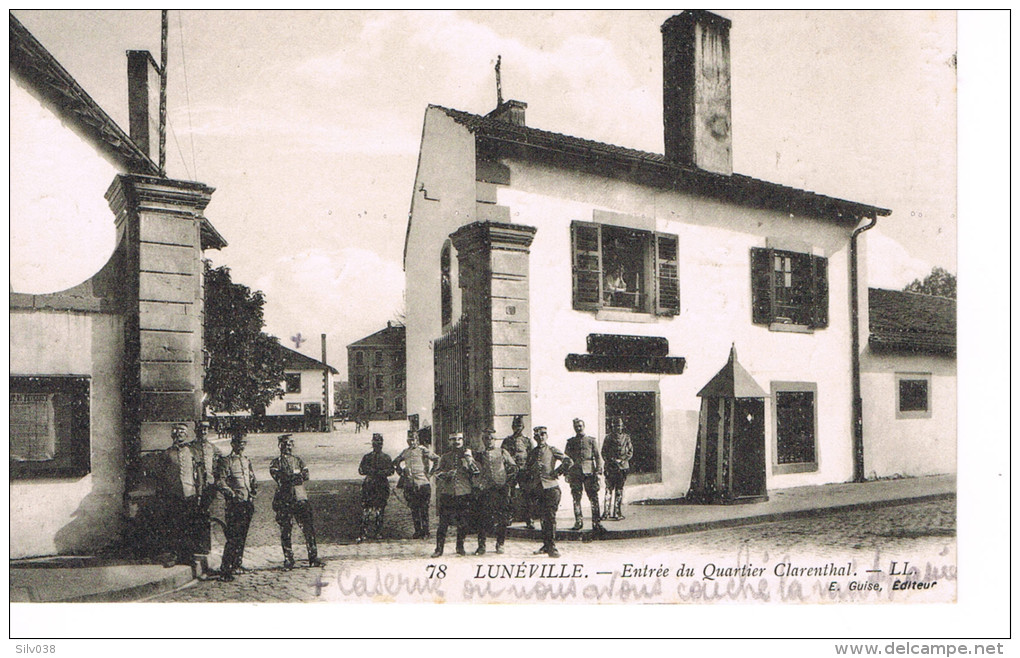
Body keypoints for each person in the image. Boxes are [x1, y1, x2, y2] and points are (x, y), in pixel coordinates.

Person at [270, 434, 323, 569]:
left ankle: (313, 557)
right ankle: (288, 559)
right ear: (279, 446)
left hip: (300, 498)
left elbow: (306, 475)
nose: (287, 447)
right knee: (286, 530)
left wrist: (291, 477)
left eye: (289, 444)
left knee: (308, 528)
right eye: (284, 444)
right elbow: (279, 477)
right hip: (284, 499)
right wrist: (294, 477)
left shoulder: (298, 460)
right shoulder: (276, 462)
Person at [524, 426, 572, 558]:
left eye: (543, 434)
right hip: (538, 489)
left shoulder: (552, 450)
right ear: (535, 438)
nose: (541, 437)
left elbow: (568, 461)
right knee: (543, 518)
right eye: (538, 435)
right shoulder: (533, 453)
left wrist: (557, 471)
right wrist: (533, 469)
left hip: (551, 488)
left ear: (547, 436)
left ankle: (552, 547)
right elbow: (527, 470)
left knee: (550, 517)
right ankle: (546, 545)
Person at [216, 428, 257, 581]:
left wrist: (253, 493)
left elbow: (252, 479)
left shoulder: (246, 460)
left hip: (247, 503)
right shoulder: (227, 461)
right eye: (239, 443)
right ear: (232, 444)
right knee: (233, 537)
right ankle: (225, 569)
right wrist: (232, 495)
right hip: (235, 504)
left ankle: (237, 564)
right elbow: (220, 481)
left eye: (244, 443)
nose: (241, 446)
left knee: (243, 535)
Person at [157, 422, 200, 567]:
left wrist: (198, 491)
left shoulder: (193, 451)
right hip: (173, 494)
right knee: (174, 526)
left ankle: (188, 556)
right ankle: (174, 556)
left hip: (190, 493)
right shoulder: (167, 453)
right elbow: (161, 476)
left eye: (182, 431)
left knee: (189, 525)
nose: (179, 433)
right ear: (172, 435)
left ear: (187, 435)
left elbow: (199, 473)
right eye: (176, 431)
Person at [432, 432, 478, 557]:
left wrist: (469, 461)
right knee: (443, 523)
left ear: (463, 441)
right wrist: (446, 474)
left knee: (462, 523)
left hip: (464, 493)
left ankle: (460, 547)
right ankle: (439, 549)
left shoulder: (468, 456)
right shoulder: (445, 457)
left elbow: (476, 472)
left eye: (459, 439)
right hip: (448, 493)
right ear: (449, 442)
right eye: (453, 439)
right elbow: (437, 472)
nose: (456, 442)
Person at [474, 427, 518, 555]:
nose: (489, 441)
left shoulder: (502, 452)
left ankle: (500, 544)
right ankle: (481, 546)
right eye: (486, 438)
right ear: (483, 440)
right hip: (486, 490)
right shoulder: (479, 455)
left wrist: (507, 482)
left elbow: (514, 468)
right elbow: (475, 471)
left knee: (502, 518)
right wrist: (479, 483)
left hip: (501, 489)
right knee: (482, 518)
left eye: (492, 438)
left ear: (495, 439)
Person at [393, 430, 440, 539]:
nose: (412, 442)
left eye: (414, 440)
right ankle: (418, 531)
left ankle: (426, 531)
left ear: (417, 440)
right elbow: (395, 462)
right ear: (407, 440)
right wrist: (402, 473)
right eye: (410, 440)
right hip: (410, 485)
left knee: (424, 509)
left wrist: (430, 473)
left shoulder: (423, 450)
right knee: (414, 509)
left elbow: (437, 459)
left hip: (423, 483)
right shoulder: (405, 452)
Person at [565, 418, 604, 532]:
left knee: (593, 498)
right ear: (574, 428)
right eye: (576, 426)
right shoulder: (571, 442)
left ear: (584, 426)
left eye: (580, 426)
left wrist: (598, 472)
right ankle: (578, 521)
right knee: (576, 498)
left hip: (589, 472)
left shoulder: (591, 441)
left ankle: (596, 523)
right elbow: (567, 459)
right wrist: (567, 473)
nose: (578, 428)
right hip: (575, 473)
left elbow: (597, 457)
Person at [190, 421, 220, 557]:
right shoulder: (190, 448)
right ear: (196, 431)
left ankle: (206, 545)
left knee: (207, 515)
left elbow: (219, 464)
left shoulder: (212, 448)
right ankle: (197, 545)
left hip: (209, 486)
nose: (203, 432)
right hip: (196, 487)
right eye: (201, 430)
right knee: (195, 515)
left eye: (205, 430)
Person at [357, 433, 394, 542]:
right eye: (376, 442)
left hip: (378, 485)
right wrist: (376, 472)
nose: (377, 444)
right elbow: (361, 470)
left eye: (379, 442)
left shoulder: (384, 457)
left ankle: (373, 532)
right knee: (369, 510)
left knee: (377, 510)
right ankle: (370, 532)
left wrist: (378, 472)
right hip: (372, 485)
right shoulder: (370, 457)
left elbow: (391, 471)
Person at [501, 415, 534, 529]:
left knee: (527, 495)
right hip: (511, 471)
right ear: (512, 427)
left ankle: (529, 519)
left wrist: (529, 470)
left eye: (520, 426)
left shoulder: (527, 441)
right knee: (509, 494)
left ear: (523, 427)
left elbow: (532, 456)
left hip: (524, 471)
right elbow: (503, 455)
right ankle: (508, 517)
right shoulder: (507, 440)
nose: (517, 428)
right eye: (515, 426)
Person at [601, 417, 634, 521]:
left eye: (619, 426)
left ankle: (617, 512)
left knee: (619, 490)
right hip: (611, 467)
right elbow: (604, 452)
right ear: (612, 426)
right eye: (616, 426)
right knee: (608, 490)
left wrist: (623, 460)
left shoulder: (626, 437)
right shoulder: (608, 438)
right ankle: (606, 512)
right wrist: (612, 461)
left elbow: (630, 451)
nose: (618, 428)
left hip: (623, 467)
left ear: (622, 426)